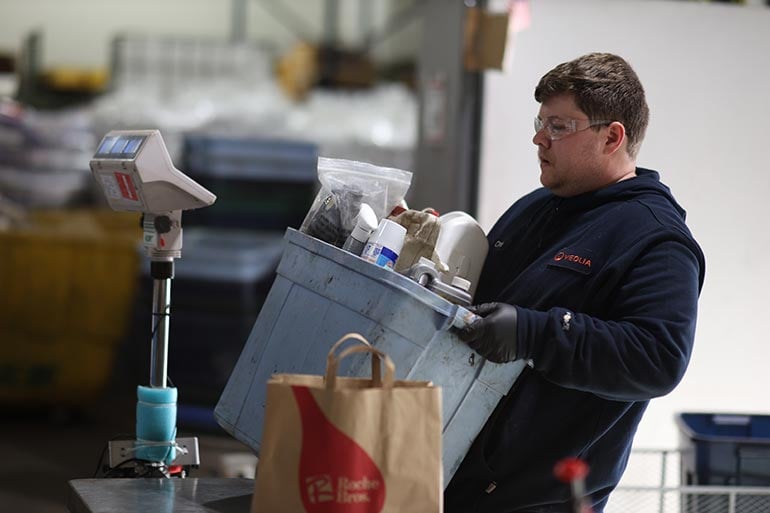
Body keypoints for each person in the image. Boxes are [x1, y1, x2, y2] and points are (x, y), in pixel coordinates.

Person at [445, 52, 705, 512]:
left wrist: (535, 333)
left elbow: (658, 357)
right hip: (456, 475)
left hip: (535, 500)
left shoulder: (655, 239)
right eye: (541, 122)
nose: (538, 138)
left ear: (612, 137)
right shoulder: (538, 206)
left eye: (560, 127)